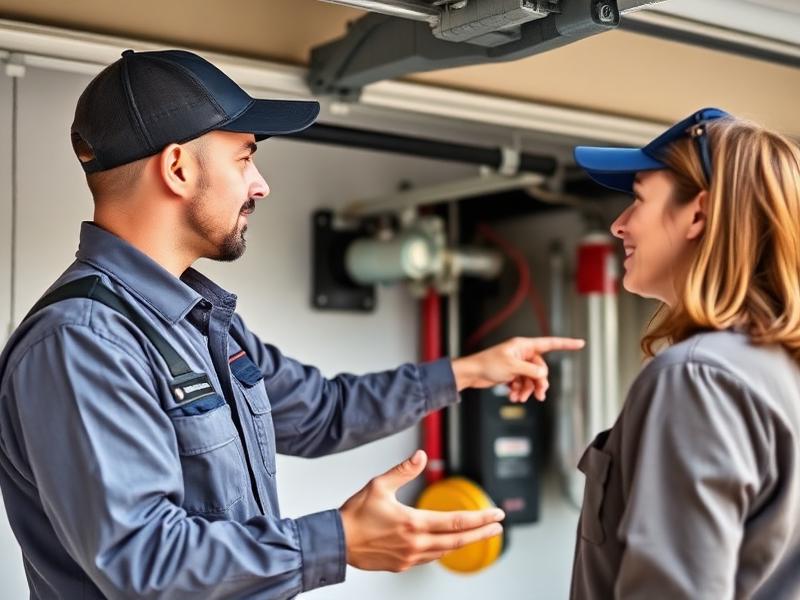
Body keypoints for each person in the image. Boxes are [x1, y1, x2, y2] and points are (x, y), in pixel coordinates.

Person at [0, 49, 584, 599]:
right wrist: (339, 541)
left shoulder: (197, 322)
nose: (260, 184)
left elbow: (323, 411)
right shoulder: (82, 341)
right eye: (246, 155)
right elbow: (143, 561)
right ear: (177, 167)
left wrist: (467, 372)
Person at [570, 108, 800, 599]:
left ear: (698, 212)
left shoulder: (697, 378)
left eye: (637, 199)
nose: (618, 225)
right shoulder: (779, 371)